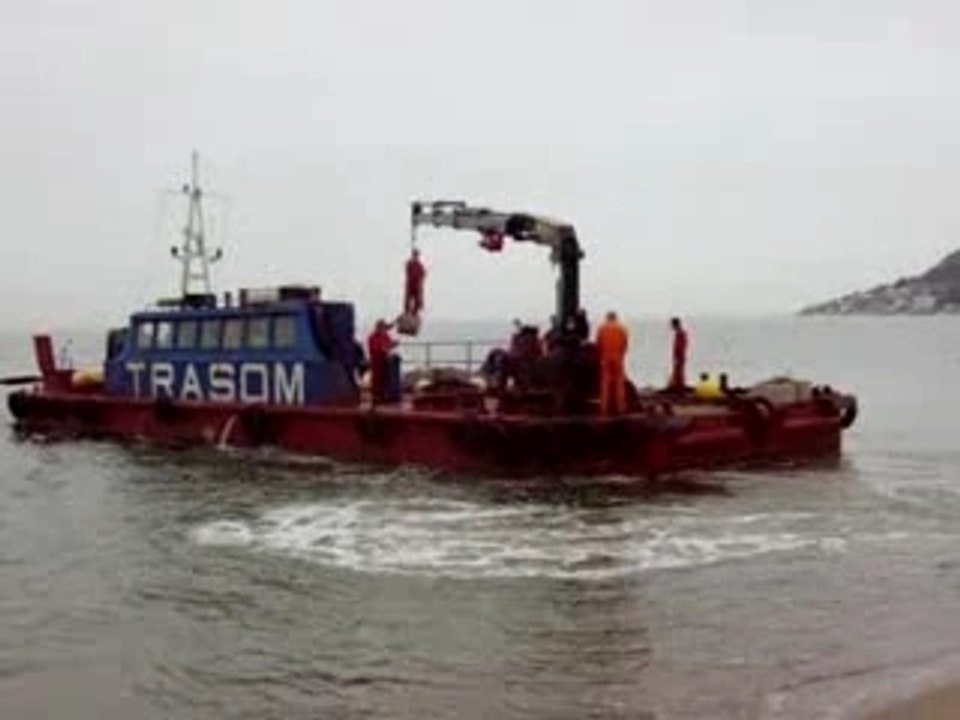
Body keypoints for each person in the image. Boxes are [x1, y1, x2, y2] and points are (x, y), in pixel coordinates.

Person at [595, 310, 630, 415]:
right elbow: (625, 344)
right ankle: (620, 407)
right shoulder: (622, 328)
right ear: (615, 317)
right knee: (619, 383)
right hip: (618, 357)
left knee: (605, 383)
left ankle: (604, 408)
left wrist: (601, 356)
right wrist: (621, 354)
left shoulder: (602, 328)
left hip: (606, 358)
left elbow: (598, 344)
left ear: (607, 317)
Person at [367, 319, 397, 403]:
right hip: (376, 359)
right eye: (382, 327)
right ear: (378, 327)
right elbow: (377, 348)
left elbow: (388, 344)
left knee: (384, 377)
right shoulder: (373, 337)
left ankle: (383, 395)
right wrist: (388, 346)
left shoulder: (385, 335)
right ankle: (376, 397)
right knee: (377, 378)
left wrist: (393, 344)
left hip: (384, 358)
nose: (384, 329)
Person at [404, 249, 426, 315]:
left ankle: (414, 313)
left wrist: (419, 283)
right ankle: (407, 313)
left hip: (417, 286)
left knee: (417, 301)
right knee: (408, 299)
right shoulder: (409, 263)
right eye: (414, 255)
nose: (415, 256)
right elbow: (408, 272)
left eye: (416, 255)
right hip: (410, 285)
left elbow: (423, 275)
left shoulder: (420, 265)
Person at [669, 317, 689, 390]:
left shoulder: (681, 333)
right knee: (678, 372)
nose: (671, 327)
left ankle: (679, 387)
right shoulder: (679, 333)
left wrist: (678, 356)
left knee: (679, 373)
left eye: (672, 325)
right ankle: (678, 386)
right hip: (679, 356)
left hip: (680, 356)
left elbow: (681, 346)